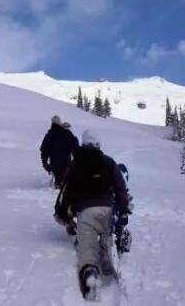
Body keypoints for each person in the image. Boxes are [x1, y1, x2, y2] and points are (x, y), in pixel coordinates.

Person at [53, 130, 130, 301]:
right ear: (98, 145)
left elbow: (66, 191)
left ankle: (90, 274)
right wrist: (124, 209)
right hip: (107, 209)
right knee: (105, 237)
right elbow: (120, 187)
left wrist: (62, 213)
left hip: (86, 211)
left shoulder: (75, 165)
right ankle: (108, 261)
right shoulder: (109, 163)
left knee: (87, 247)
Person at [39, 116, 79, 189]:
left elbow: (43, 149)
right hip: (66, 160)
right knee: (64, 178)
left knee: (58, 178)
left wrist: (44, 162)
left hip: (54, 161)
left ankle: (58, 185)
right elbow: (74, 147)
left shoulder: (49, 134)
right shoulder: (67, 133)